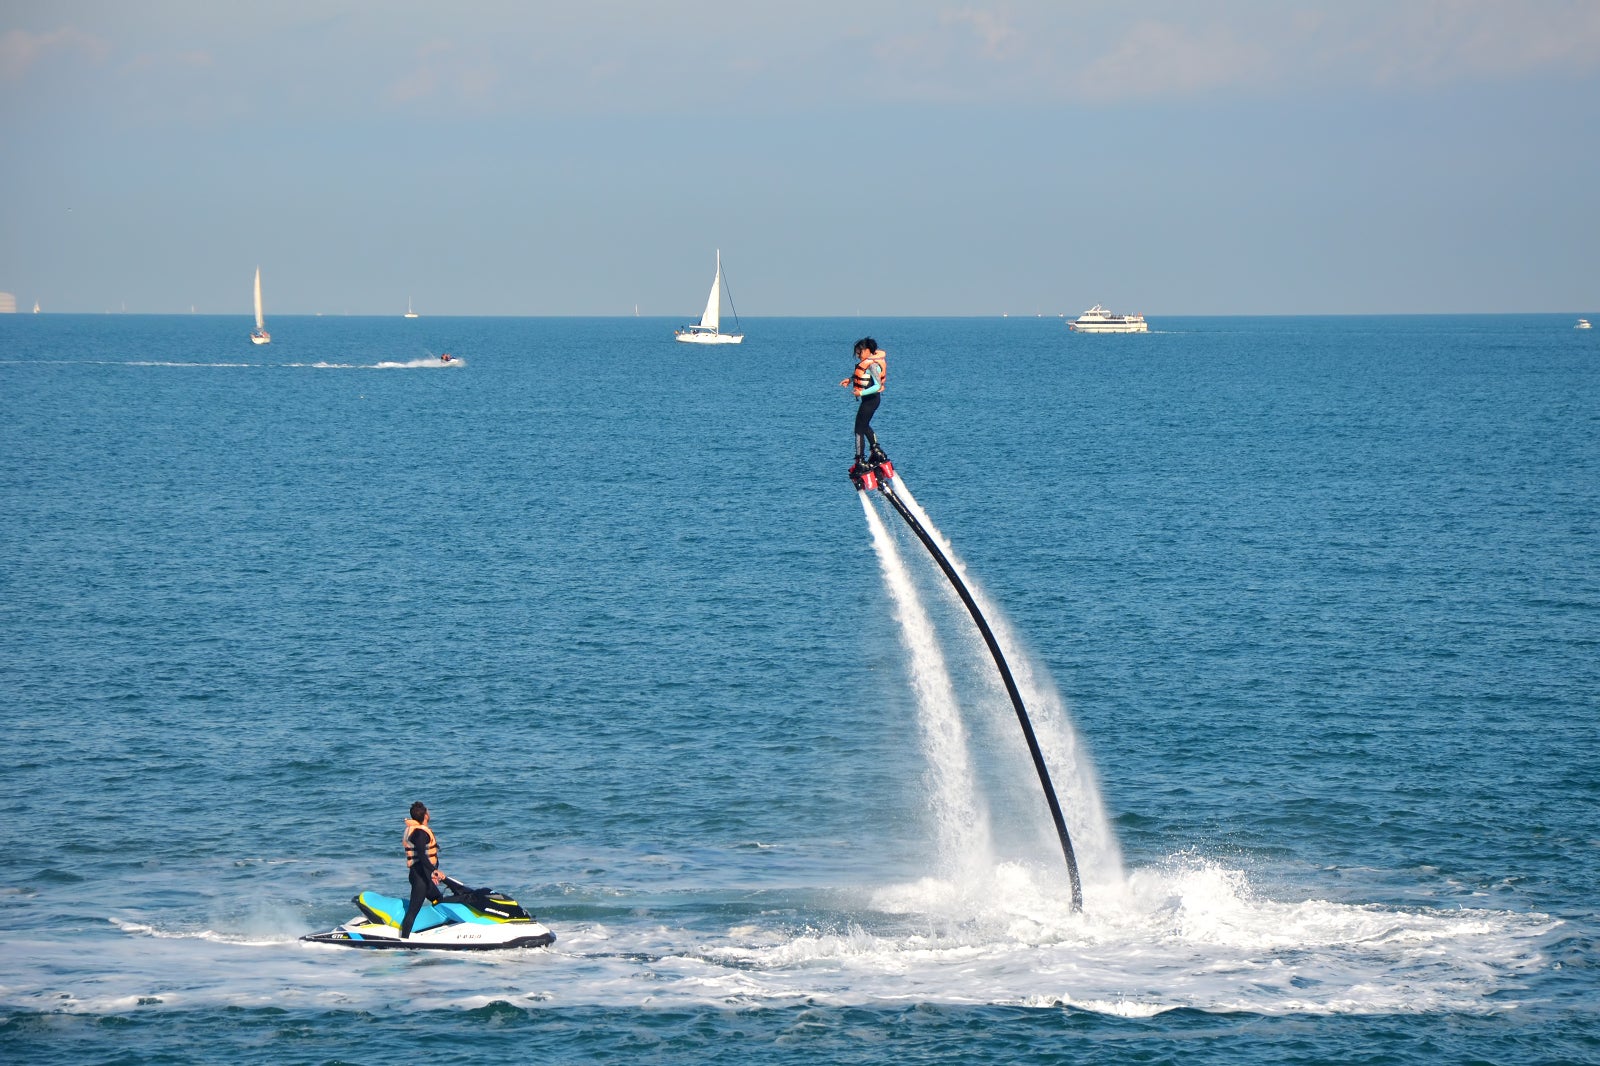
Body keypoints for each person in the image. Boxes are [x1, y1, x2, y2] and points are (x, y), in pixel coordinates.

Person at [399, 801, 445, 939]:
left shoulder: (418, 830)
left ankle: (438, 929)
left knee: (438, 899)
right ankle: (403, 941)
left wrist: (431, 873)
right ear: (425, 815)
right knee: (413, 910)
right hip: (420, 877)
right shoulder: (419, 833)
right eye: (428, 812)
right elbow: (421, 855)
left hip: (423, 875)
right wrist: (434, 871)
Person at [839, 337, 887, 464]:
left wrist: (860, 392)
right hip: (869, 400)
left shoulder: (873, 365)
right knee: (863, 425)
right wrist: (849, 380)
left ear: (867, 350)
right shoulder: (867, 364)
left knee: (858, 429)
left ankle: (860, 459)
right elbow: (862, 376)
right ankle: (876, 450)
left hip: (871, 400)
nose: (858, 355)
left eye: (860, 352)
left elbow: (877, 386)